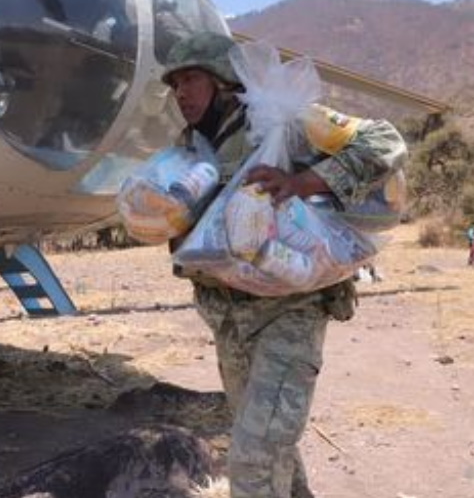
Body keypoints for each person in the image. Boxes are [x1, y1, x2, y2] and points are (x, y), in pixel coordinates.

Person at [161, 32, 407, 498]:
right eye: (174, 85)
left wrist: (302, 181)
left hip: (289, 314)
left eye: (191, 79)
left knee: (253, 459)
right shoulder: (192, 145)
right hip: (228, 319)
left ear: (223, 82)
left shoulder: (280, 119)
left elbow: (385, 141)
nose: (182, 93)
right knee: (274, 451)